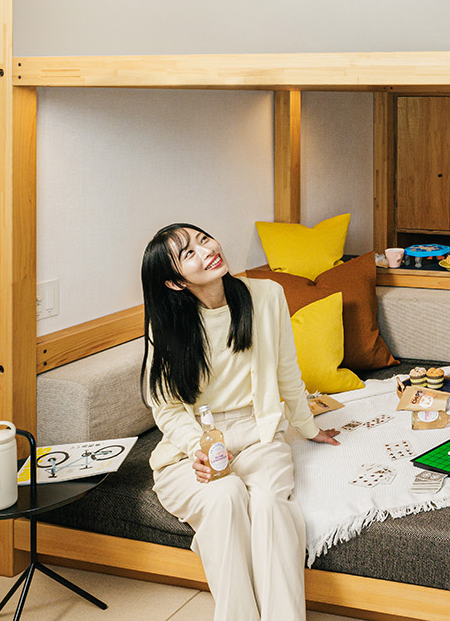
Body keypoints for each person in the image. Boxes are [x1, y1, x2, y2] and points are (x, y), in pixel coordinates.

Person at [141, 223, 340, 621]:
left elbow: (287, 372)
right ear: (175, 282)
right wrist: (198, 448)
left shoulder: (266, 295)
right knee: (225, 495)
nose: (207, 250)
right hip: (193, 446)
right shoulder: (167, 325)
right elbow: (166, 407)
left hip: (258, 434)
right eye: (189, 253)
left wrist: (308, 427)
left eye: (204, 239)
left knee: (270, 506)